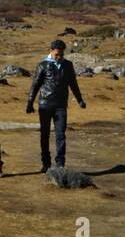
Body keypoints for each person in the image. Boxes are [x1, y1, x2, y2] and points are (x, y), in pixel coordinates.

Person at [25, 39, 85, 171]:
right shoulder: (42, 65)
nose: (59, 58)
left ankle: (60, 163)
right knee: (44, 134)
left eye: (61, 55)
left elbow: (73, 84)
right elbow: (35, 85)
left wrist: (80, 99)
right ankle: (46, 163)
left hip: (61, 106)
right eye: (57, 55)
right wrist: (30, 103)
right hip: (45, 105)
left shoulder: (68, 65)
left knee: (61, 134)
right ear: (51, 51)